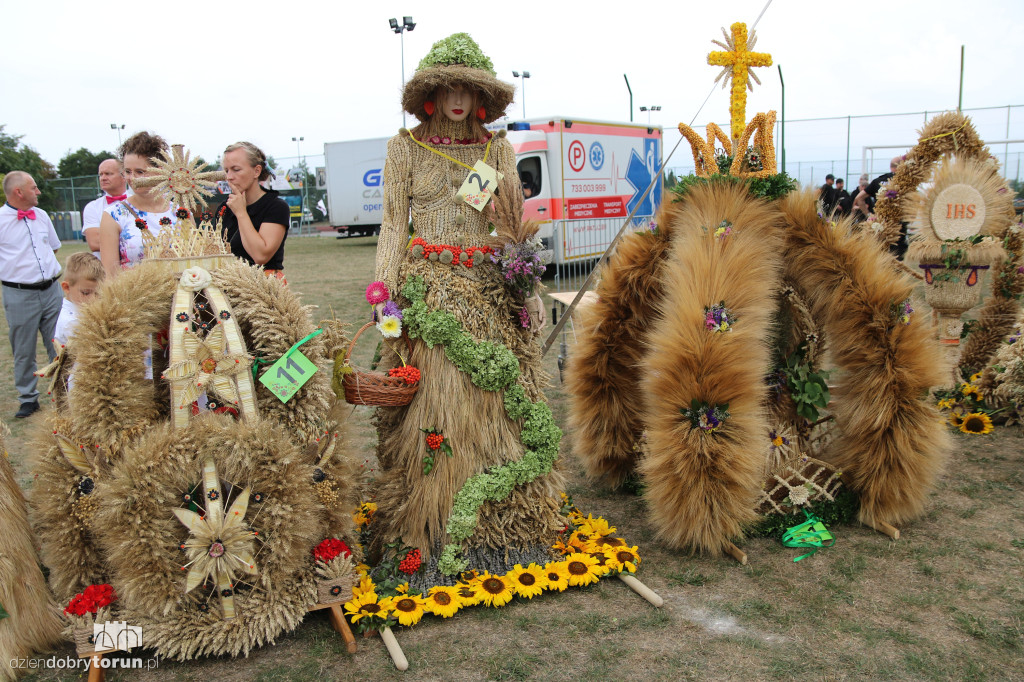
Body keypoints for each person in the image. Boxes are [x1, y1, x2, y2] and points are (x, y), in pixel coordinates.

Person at [370, 33, 564, 575]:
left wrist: (525, 289)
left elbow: (510, 224)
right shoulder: (403, 148)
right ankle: (430, 524)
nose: (459, 99)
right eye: (449, 87)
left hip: (486, 288)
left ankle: (502, 526)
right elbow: (392, 223)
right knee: (435, 399)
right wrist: (383, 288)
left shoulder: (496, 149)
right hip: (429, 287)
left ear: (483, 98)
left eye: (470, 89)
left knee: (499, 406)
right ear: (432, 93)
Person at [0, 171, 63, 418]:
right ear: (19, 192)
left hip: (51, 290)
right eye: (34, 187)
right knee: (23, 349)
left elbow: (54, 246)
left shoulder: (42, 215)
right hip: (19, 294)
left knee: (59, 345)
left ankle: (63, 394)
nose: (38, 192)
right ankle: (28, 398)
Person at [98, 131, 176, 277]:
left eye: (140, 172)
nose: (132, 178)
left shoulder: (180, 212)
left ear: (159, 171)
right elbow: (110, 276)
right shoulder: (113, 215)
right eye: (127, 171)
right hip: (135, 297)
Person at [217, 141, 289, 280]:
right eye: (226, 171)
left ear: (257, 171)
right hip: (229, 285)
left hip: (263, 288)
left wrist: (241, 213)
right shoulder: (224, 208)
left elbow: (260, 256)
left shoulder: (276, 207)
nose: (229, 177)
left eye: (236, 169)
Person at [54, 251, 105, 346]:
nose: (93, 299)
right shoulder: (71, 323)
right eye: (86, 293)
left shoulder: (83, 310)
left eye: (98, 293)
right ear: (67, 287)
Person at [81, 159, 128, 257]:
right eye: (100, 174)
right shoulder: (92, 207)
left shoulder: (139, 201)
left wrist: (109, 238)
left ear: (124, 176)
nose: (103, 178)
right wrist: (134, 241)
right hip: (105, 270)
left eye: (108, 174)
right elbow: (95, 243)